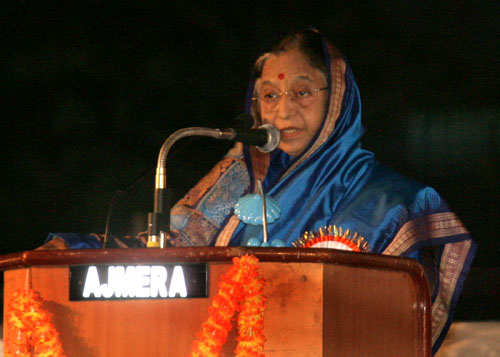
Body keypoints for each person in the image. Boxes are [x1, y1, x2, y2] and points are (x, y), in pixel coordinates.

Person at [42, 29, 475, 353]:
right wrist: (73, 252)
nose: (283, 110)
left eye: (302, 92)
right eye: (269, 95)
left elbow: (404, 327)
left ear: (339, 97)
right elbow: (168, 256)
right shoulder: (236, 177)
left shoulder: (393, 202)